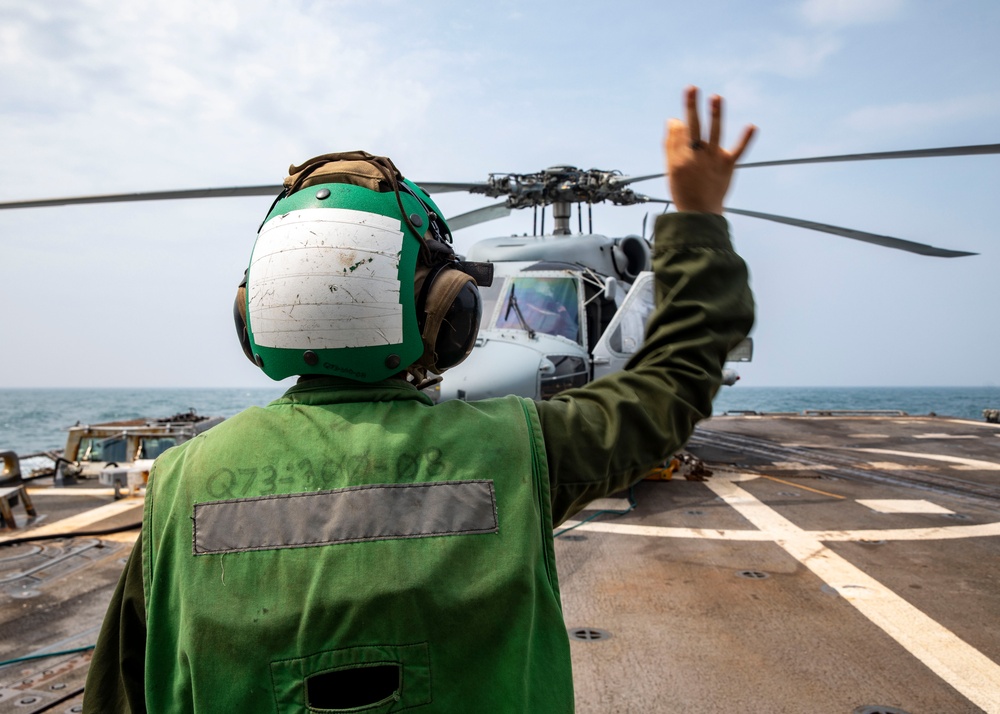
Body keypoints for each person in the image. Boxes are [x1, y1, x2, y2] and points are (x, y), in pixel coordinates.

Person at [83, 86, 755, 713]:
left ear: (254, 312)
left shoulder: (178, 487)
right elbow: (671, 383)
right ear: (445, 308)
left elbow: (117, 692)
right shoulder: (519, 451)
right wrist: (696, 220)